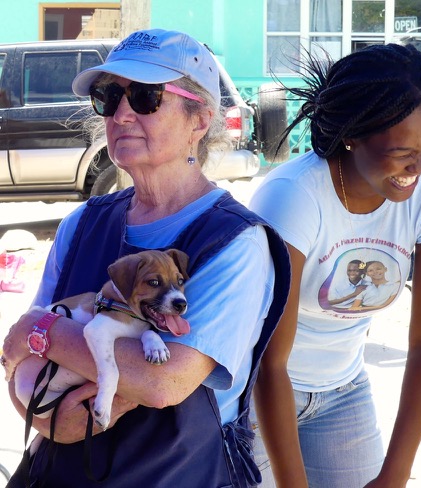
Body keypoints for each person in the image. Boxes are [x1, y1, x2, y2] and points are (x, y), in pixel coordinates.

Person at [0, 28, 290, 488]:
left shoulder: (235, 241)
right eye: (109, 96)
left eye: (146, 97)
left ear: (200, 120)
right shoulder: (82, 224)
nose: (121, 113)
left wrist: (43, 332)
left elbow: (164, 383)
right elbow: (16, 363)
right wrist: (41, 418)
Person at [249, 43, 421, 487]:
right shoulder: (293, 197)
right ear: (352, 135)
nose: (418, 166)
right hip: (259, 395)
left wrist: (396, 472)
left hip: (343, 390)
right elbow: (271, 361)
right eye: (403, 150)